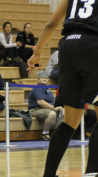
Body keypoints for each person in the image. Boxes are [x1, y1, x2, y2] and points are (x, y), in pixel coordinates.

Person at [27, 0, 98, 176]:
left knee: (69, 122)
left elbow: (52, 23)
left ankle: (48, 174)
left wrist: (37, 52)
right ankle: (92, 172)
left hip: (67, 46)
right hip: (92, 44)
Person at [28, 70, 63, 140]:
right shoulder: (37, 88)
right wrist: (54, 108)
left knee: (65, 111)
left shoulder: (48, 89)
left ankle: (61, 133)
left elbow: (53, 100)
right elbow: (41, 103)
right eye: (42, 77)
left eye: (46, 78)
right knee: (52, 114)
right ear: (38, 79)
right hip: (36, 109)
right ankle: (45, 133)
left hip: (47, 109)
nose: (44, 79)